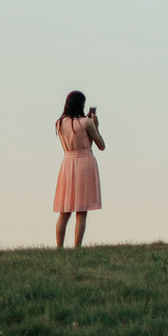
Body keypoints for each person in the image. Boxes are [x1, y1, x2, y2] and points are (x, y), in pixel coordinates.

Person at [53, 90, 105, 248]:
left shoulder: (59, 123)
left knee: (65, 210)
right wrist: (96, 126)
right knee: (81, 210)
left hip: (67, 164)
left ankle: (59, 247)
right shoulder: (86, 122)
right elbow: (101, 145)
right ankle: (77, 246)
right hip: (84, 163)